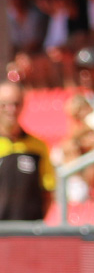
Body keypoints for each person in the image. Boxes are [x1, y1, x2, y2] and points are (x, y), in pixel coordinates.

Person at [0, 81, 55, 221]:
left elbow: (48, 191)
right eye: (4, 104)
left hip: (27, 233)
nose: (10, 109)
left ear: (23, 105)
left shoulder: (38, 147)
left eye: (16, 103)